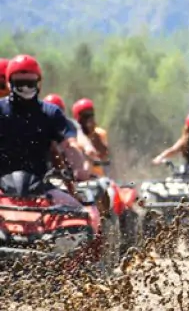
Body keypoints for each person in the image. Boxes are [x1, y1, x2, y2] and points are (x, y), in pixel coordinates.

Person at [0, 55, 90, 208]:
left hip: (41, 187)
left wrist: (78, 168)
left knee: (80, 211)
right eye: (20, 83)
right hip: (1, 189)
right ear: (10, 83)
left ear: (39, 83)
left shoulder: (50, 113)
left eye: (30, 82)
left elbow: (69, 144)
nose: (26, 88)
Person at [72, 98, 110, 178]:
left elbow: (104, 156)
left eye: (91, 115)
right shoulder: (73, 136)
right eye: (86, 116)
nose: (90, 119)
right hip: (81, 178)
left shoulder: (100, 133)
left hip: (98, 178)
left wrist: (93, 134)